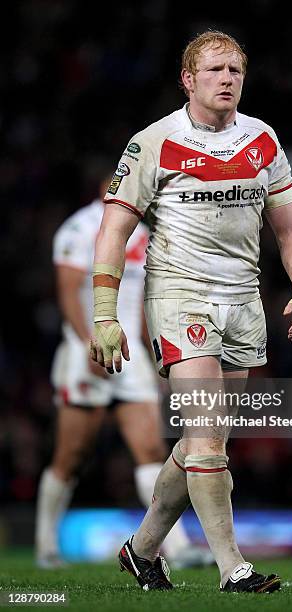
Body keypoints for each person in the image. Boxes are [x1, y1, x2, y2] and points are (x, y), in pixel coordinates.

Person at [90, 30, 292, 593]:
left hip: (243, 299)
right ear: (188, 80)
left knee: (204, 441)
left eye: (235, 71)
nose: (227, 80)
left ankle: (141, 550)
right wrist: (104, 313)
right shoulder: (154, 142)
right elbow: (114, 231)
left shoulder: (261, 140)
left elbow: (290, 230)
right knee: (208, 436)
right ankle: (233, 569)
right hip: (179, 294)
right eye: (215, 70)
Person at [35, 175, 214, 570]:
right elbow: (67, 292)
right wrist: (88, 344)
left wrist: (158, 358)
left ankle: (178, 548)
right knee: (72, 455)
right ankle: (46, 545)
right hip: (87, 353)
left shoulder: (143, 234)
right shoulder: (80, 227)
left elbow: (146, 301)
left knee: (151, 451)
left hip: (130, 357)